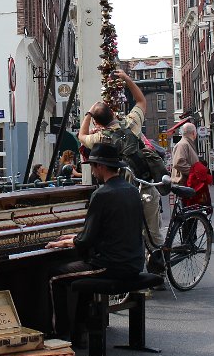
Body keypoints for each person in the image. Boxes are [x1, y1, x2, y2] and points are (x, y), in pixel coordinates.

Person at [46, 142, 144, 345]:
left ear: (100, 166)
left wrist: (65, 242)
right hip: (134, 262)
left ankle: (61, 336)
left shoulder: (101, 194)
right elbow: (111, 231)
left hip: (111, 266)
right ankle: (80, 331)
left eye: (92, 166)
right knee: (83, 273)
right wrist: (74, 238)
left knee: (54, 276)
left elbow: (86, 240)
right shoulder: (132, 190)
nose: (92, 170)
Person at [78, 70, 162, 250]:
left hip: (123, 194)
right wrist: (127, 79)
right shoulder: (131, 124)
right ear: (113, 114)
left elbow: (81, 135)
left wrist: (89, 113)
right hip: (145, 186)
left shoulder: (100, 138)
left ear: (97, 123)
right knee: (153, 236)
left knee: (128, 234)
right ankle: (158, 263)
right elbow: (141, 101)